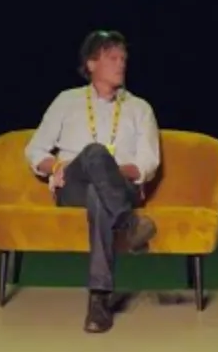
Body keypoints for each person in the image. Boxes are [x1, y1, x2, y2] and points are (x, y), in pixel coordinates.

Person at [25, 30, 160, 333]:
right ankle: (129, 223)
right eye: (113, 58)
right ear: (91, 64)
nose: (121, 64)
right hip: (72, 185)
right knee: (94, 153)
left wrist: (107, 170)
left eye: (123, 58)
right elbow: (34, 150)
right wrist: (56, 165)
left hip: (121, 187)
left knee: (98, 188)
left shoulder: (140, 108)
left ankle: (99, 300)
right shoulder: (66, 101)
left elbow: (148, 163)